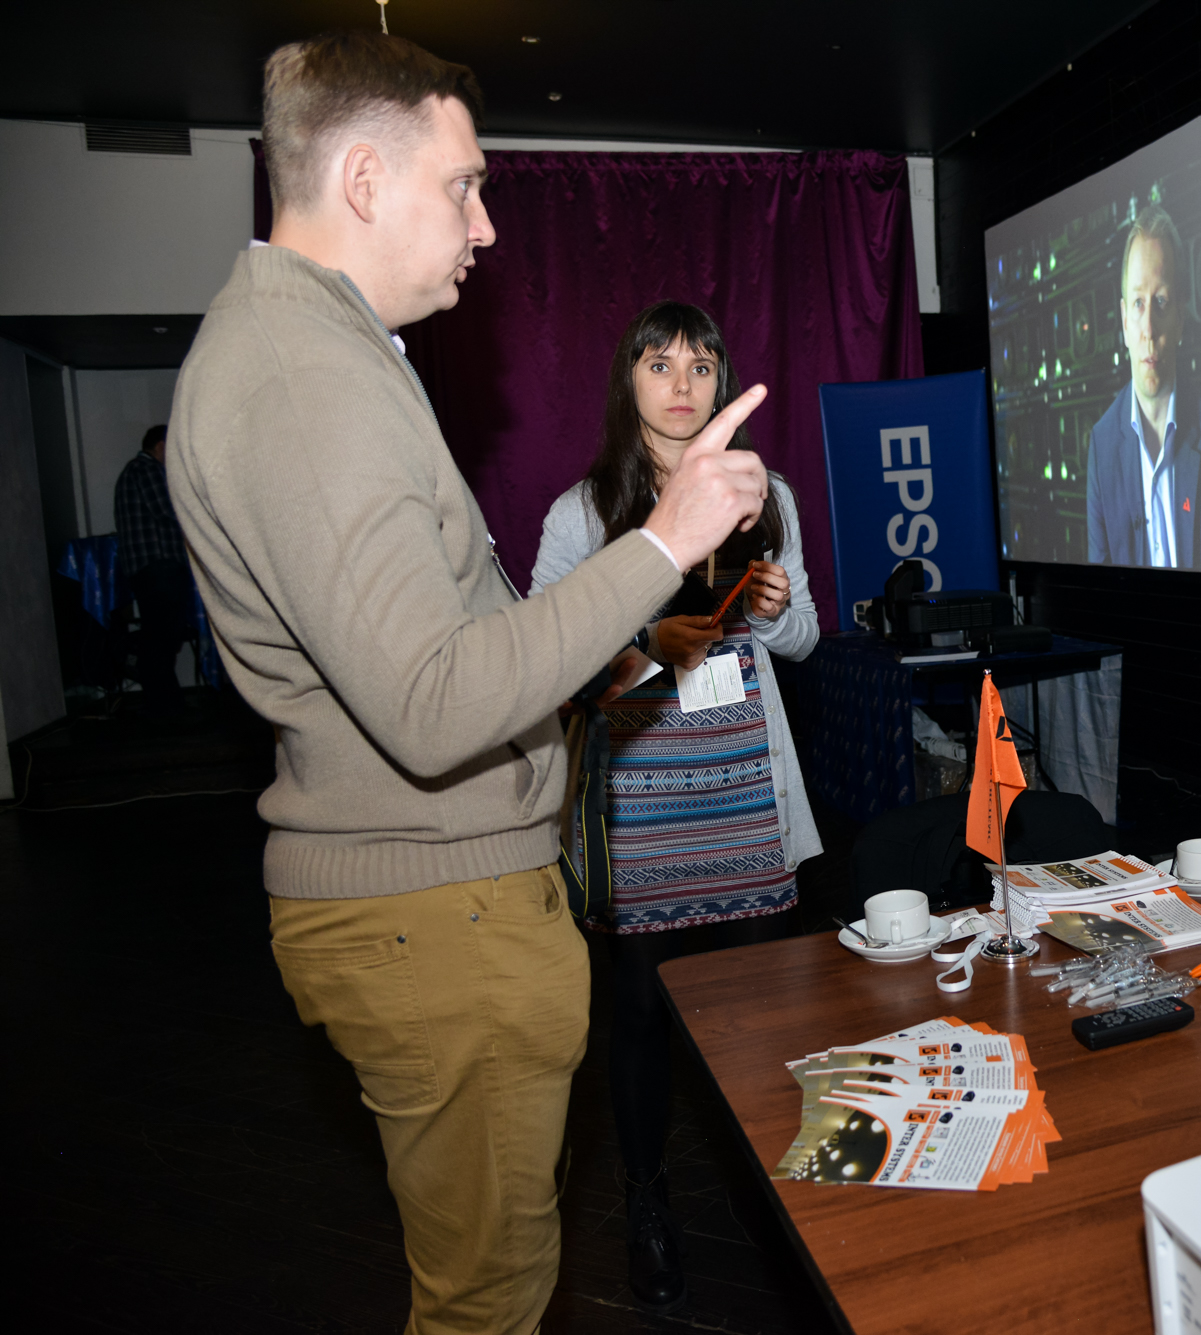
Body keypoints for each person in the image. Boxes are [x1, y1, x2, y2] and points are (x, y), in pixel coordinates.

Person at [163, 30, 770, 1334]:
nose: (485, 225)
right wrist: (663, 544)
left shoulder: (321, 352)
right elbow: (435, 701)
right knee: (487, 1303)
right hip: (433, 914)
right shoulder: (302, 375)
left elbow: (450, 645)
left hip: (446, 900)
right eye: (464, 186)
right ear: (364, 179)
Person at [529, 300, 821, 1314]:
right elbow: (547, 664)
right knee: (644, 1017)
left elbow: (806, 638)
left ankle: (767, 1197)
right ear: (629, 382)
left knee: (761, 1012)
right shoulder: (583, 510)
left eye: (701, 364)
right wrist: (648, 637)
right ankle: (647, 1203)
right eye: (660, 364)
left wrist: (773, 613)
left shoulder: (765, 491)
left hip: (746, 799)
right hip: (641, 809)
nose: (683, 383)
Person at [1085, 204, 1201, 571]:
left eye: (1160, 302)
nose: (1148, 327)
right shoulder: (1102, 446)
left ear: (1180, 317)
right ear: (1124, 321)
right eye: (1138, 303)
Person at [113, 423, 193, 715]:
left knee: (160, 638)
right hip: (159, 567)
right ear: (161, 446)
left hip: (150, 569)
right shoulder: (146, 470)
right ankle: (167, 709)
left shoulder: (134, 471)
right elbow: (169, 510)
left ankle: (164, 707)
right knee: (162, 639)